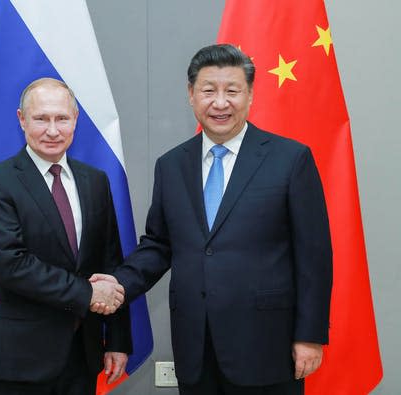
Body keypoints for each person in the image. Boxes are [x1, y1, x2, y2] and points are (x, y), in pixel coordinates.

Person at [91, 44, 332, 395]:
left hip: (267, 346)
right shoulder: (171, 165)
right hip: (196, 348)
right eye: (208, 91)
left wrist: (309, 336)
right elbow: (159, 244)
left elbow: (314, 256)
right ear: (191, 95)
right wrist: (119, 283)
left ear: (249, 95)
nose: (220, 103)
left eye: (232, 91)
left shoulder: (290, 159)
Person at [0, 77, 131, 395]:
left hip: (82, 354)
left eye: (62, 118)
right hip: (20, 357)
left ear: (75, 120)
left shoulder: (95, 181)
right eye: (41, 118)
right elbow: (11, 265)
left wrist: (116, 340)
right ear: (21, 119)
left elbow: (110, 261)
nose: (53, 130)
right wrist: (87, 294)